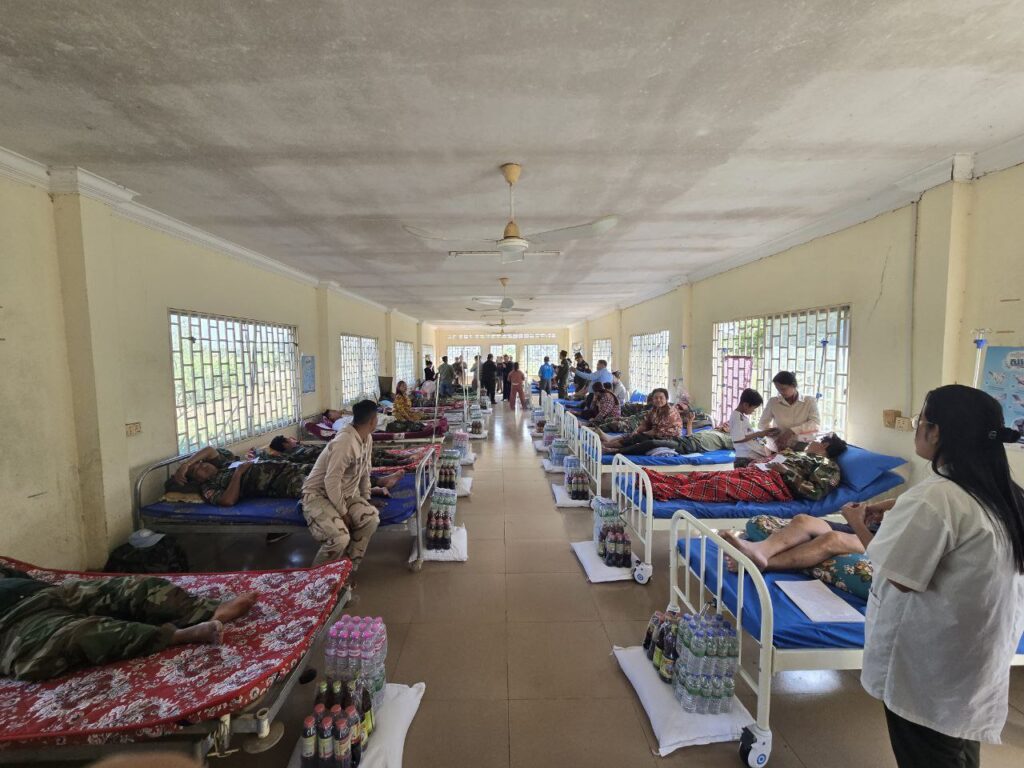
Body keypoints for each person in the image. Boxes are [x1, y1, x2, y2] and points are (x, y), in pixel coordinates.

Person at [859, 385, 1024, 767]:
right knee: (958, 748)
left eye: (921, 420)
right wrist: (899, 504)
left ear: (936, 432)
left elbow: (900, 577)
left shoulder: (936, 497)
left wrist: (856, 522)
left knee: (931, 752)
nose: (918, 427)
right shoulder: (1009, 495)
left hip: (931, 669)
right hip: (975, 661)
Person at [0, 566, 257, 681]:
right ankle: (174, 636)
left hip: (48, 593)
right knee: (78, 634)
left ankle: (207, 610)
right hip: (13, 620)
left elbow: (18, 575)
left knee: (138, 587)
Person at [720, 501, 896, 600]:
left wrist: (857, 521)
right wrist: (871, 509)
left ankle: (756, 563)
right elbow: (899, 501)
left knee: (833, 539)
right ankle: (760, 550)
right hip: (872, 527)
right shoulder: (911, 497)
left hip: (882, 541)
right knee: (803, 520)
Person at [645, 434, 848, 502]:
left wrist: (786, 472)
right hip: (760, 473)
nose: (812, 441)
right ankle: (658, 479)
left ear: (825, 445)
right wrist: (763, 462)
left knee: (720, 483)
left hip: (777, 486)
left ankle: (664, 490)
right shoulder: (801, 454)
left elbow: (815, 492)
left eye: (817, 440)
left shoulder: (828, 467)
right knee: (707, 475)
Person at [301, 400, 383, 568]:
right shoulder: (345, 442)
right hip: (318, 495)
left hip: (346, 494)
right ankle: (318, 579)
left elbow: (365, 472)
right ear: (373, 421)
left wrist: (366, 498)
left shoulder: (367, 438)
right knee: (339, 538)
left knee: (371, 519)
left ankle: (347, 568)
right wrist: (343, 513)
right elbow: (331, 481)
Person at [596, 388, 682, 453]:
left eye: (661, 398)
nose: (658, 400)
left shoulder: (670, 412)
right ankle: (609, 442)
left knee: (639, 438)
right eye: (656, 398)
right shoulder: (655, 409)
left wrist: (641, 433)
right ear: (652, 399)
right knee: (634, 434)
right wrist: (637, 430)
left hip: (668, 438)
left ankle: (610, 446)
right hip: (656, 434)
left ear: (666, 399)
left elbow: (656, 432)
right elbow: (645, 422)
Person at [758, 371, 820, 449]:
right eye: (778, 389)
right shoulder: (773, 402)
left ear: (793, 385)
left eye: (783, 389)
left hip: (803, 445)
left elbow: (815, 423)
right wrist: (773, 434)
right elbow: (762, 424)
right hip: (780, 445)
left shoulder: (809, 401)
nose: (781, 392)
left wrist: (792, 431)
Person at [727, 388, 776, 466]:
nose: (753, 411)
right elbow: (738, 439)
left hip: (749, 456)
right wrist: (758, 434)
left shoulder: (741, 417)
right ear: (746, 405)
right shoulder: (737, 416)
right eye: (754, 408)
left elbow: (747, 434)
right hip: (744, 458)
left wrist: (762, 434)